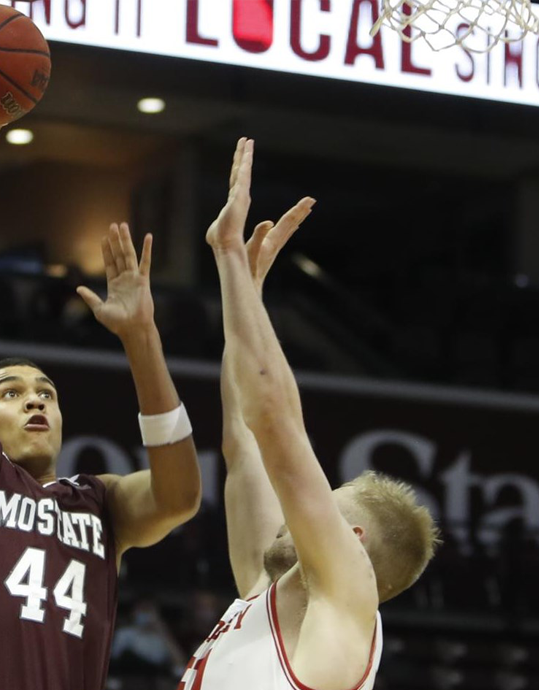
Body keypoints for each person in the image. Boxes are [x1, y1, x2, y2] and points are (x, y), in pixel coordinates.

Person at [0, 58, 201, 690]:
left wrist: (142, 338)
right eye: (11, 393)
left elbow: (180, 496)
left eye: (47, 393)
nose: (36, 402)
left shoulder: (99, 505)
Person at [179, 139, 440, 690]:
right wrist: (244, 293)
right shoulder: (260, 594)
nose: (289, 513)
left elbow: (275, 422)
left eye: (321, 504)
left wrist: (227, 253)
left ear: (352, 538)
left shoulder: (344, 604)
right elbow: (245, 439)